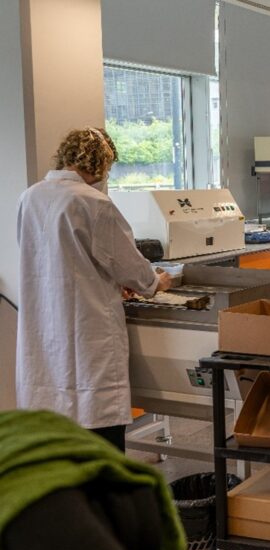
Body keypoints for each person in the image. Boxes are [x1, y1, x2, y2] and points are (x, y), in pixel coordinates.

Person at [17, 128, 172, 451]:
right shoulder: (93, 202)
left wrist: (111, 281)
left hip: (43, 330)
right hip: (88, 334)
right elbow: (130, 266)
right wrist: (155, 281)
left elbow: (56, 259)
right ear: (100, 163)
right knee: (98, 433)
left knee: (57, 440)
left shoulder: (30, 197)